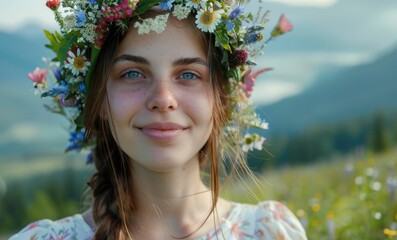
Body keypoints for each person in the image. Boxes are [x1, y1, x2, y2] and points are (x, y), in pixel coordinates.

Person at [13, 0, 306, 239]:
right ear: (99, 101)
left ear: (221, 100)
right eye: (132, 73)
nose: (163, 98)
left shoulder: (268, 232)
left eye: (189, 75)